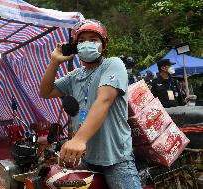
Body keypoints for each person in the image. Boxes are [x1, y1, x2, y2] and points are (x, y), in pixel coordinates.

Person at [39, 19, 142, 189]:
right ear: (75, 47)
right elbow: (45, 92)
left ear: (104, 45)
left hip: (116, 158)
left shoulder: (113, 64)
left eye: (94, 40)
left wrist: (78, 139)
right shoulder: (74, 76)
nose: (87, 44)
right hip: (87, 158)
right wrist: (54, 62)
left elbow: (105, 99)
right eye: (81, 41)